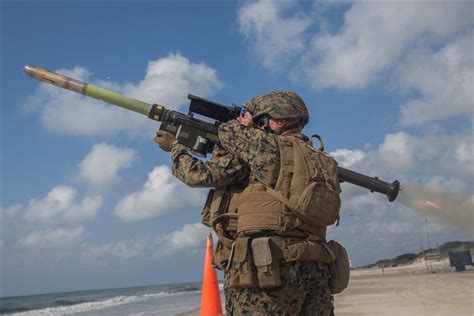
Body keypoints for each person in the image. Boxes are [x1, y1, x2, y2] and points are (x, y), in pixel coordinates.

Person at [155, 90, 340, 315]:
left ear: (279, 121)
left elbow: (203, 172)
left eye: (261, 120)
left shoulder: (265, 149)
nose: (256, 126)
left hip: (269, 272)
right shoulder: (322, 160)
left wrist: (175, 148)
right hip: (316, 269)